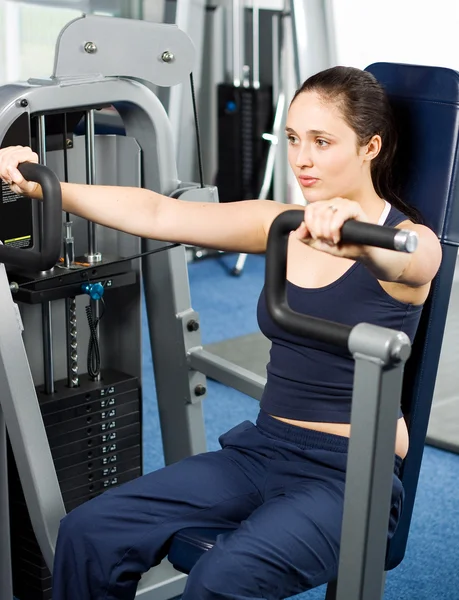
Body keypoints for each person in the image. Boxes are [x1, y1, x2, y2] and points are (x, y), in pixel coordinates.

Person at [0, 66, 441, 600]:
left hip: (350, 477)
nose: (301, 159)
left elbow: (412, 266)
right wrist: (44, 183)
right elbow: (160, 212)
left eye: (322, 142)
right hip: (263, 449)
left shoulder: (409, 239)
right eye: (294, 139)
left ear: (370, 147)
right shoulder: (282, 223)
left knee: (221, 579)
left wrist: (358, 235)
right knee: (90, 533)